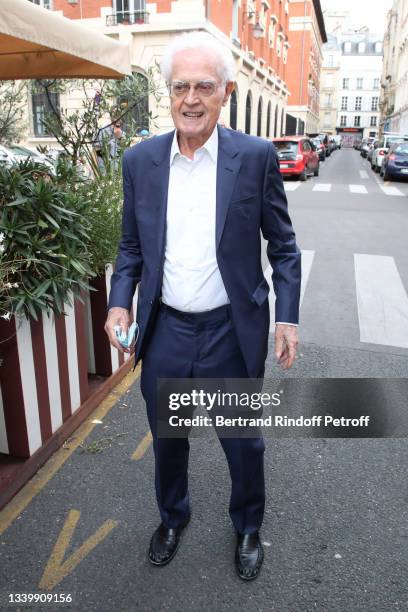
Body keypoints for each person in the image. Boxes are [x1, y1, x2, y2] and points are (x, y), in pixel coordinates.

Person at [104, 31, 301, 581]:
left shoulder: (256, 157)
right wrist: (121, 304)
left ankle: (247, 526)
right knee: (167, 437)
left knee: (242, 442)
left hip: (228, 330)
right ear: (168, 94)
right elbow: (131, 247)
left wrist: (287, 316)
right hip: (166, 329)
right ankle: (172, 517)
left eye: (204, 87)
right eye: (180, 87)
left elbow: (283, 246)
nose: (191, 99)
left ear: (226, 93)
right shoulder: (141, 160)